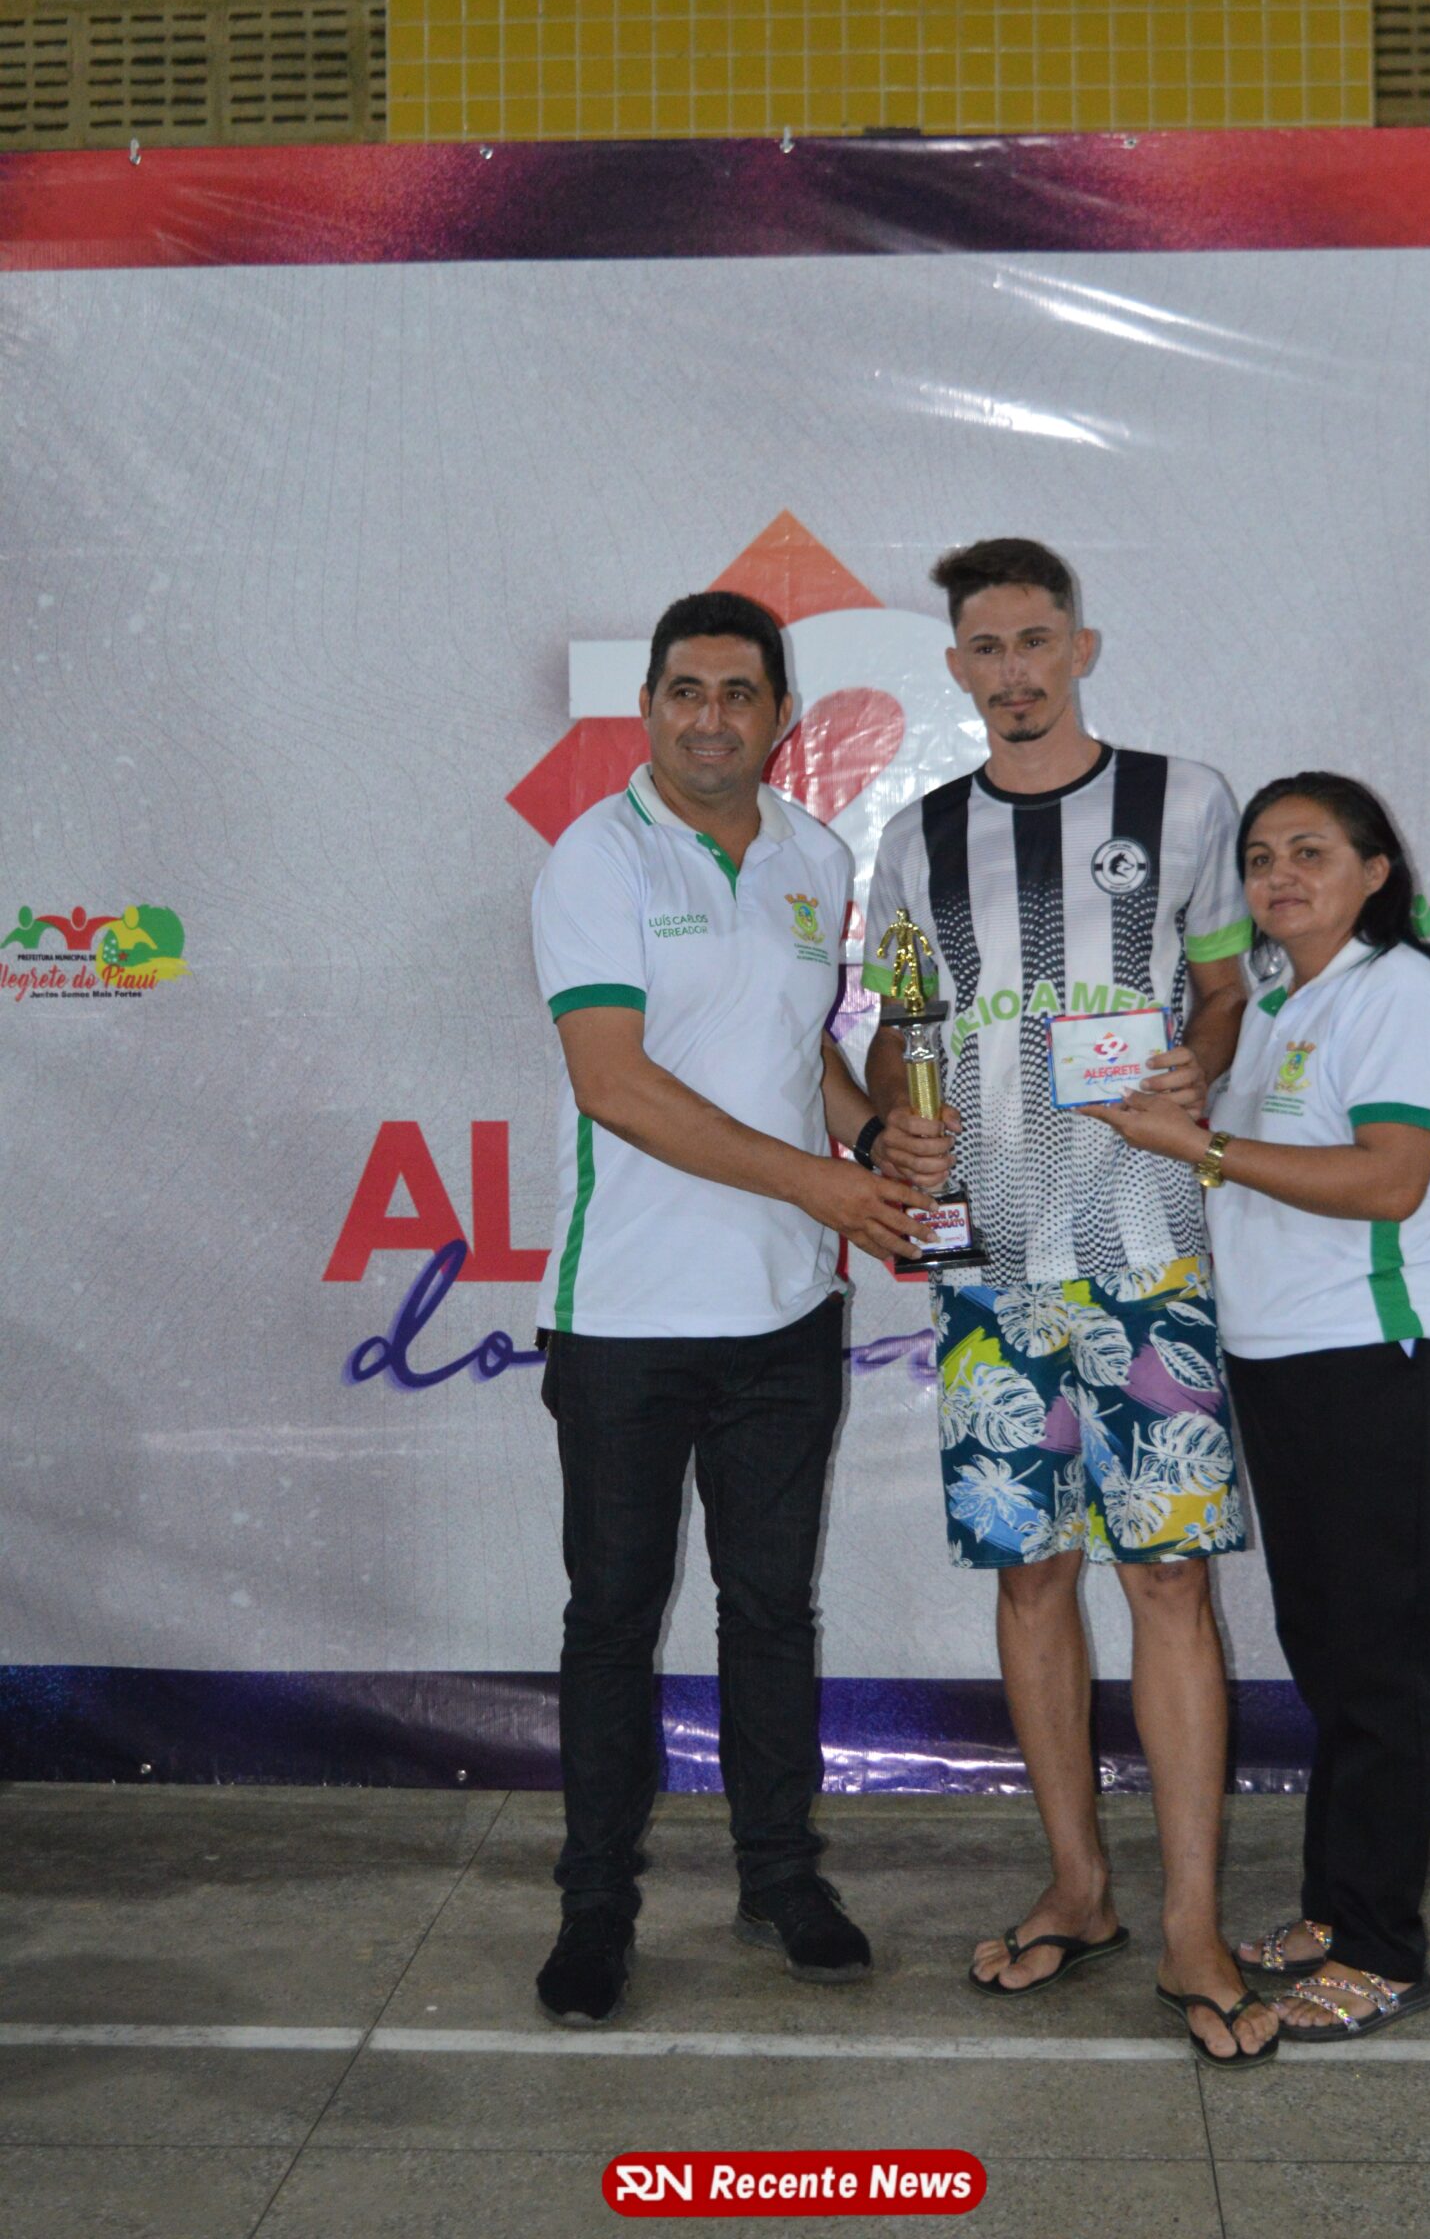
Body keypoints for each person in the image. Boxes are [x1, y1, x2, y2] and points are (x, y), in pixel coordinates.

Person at [860, 538, 1276, 2068]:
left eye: (1036, 640)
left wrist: (1195, 1066)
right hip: (988, 1269)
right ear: (955, 668)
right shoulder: (913, 836)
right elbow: (898, 1027)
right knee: (1030, 1579)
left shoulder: (1185, 801)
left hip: (1144, 1252)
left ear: (1080, 648)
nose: (1014, 671)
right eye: (985, 648)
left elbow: (1222, 987)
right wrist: (890, 1126)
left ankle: (1190, 1925)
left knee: (1167, 1585)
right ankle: (1078, 1887)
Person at [529, 589, 945, 2026]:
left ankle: (780, 1880)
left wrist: (868, 1139)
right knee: (611, 1617)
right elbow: (615, 1083)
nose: (711, 717)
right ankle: (596, 1905)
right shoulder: (595, 857)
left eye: (738, 693)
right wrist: (822, 1181)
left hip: (782, 1311)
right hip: (626, 1315)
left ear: (779, 715)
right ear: (648, 706)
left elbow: (794, 1054)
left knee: (769, 1611)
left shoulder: (813, 856)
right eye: (685, 691)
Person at [1087, 772, 1430, 2043]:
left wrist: (1196, 1148)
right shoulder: (1273, 1005)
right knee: (1328, 1649)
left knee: (1378, 1667)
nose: (1278, 875)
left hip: (1380, 1354)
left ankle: (1381, 1950)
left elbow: (1388, 1179)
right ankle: (1331, 1907)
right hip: (1281, 1359)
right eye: (1260, 857)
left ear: (1375, 871)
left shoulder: (1399, 992)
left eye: (1311, 851)